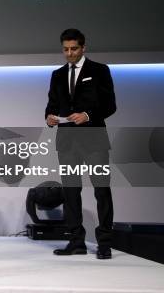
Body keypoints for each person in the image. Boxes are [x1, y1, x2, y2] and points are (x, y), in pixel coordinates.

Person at [45, 28, 116, 259]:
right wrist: (49, 117)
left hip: (94, 139)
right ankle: (76, 241)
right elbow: (51, 104)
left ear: (83, 48)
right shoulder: (57, 74)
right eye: (65, 49)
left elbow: (110, 105)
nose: (69, 53)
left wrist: (88, 115)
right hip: (67, 141)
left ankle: (104, 243)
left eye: (73, 49)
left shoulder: (99, 70)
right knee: (71, 192)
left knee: (102, 191)